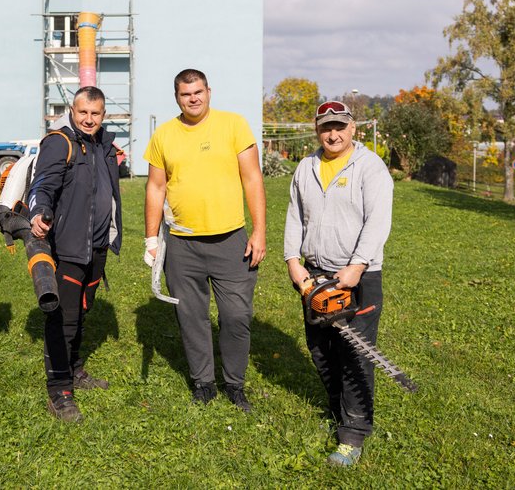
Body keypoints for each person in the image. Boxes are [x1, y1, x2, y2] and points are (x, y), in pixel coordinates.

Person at [143, 68, 266, 412]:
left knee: (236, 315)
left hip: (231, 242)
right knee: (191, 317)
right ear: (177, 97)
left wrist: (259, 231)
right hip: (183, 245)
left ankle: (235, 384)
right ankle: (203, 381)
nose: (193, 98)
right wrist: (151, 239)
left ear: (209, 92)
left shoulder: (234, 125)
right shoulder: (164, 135)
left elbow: (253, 179)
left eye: (198, 91)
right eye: (185, 94)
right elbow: (155, 187)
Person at [284, 100, 394, 467]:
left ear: (353, 129)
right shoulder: (306, 167)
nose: (333, 134)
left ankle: (353, 434)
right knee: (320, 349)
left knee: (355, 354)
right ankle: (339, 412)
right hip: (314, 277)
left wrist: (357, 266)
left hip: (357, 277)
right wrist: (293, 262)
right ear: (318, 130)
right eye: (326, 127)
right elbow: (295, 217)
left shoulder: (370, 168)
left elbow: (377, 221)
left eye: (340, 127)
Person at [28, 86, 122, 422]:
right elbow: (44, 184)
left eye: (95, 114)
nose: (88, 119)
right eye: (83, 112)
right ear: (72, 109)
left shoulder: (102, 145)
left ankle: (75, 369)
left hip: (96, 246)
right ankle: (59, 390)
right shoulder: (59, 141)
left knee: (83, 311)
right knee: (64, 319)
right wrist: (39, 211)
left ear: (103, 114)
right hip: (68, 246)